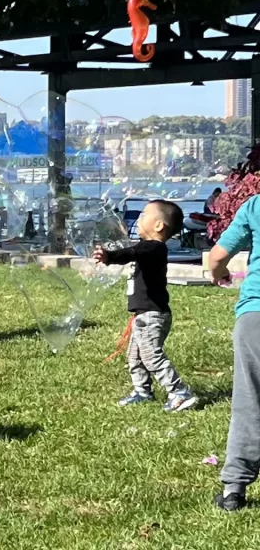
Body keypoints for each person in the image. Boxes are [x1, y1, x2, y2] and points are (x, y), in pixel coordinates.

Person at [94, 200, 198, 412]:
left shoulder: (154, 248)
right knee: (135, 356)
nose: (139, 219)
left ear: (159, 225)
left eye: (144, 215)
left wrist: (110, 257)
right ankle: (142, 391)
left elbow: (130, 253)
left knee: (151, 355)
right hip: (143, 315)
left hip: (152, 315)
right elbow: (133, 252)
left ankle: (179, 391)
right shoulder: (147, 249)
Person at [208, 195, 260, 511]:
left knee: (249, 401)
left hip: (256, 316)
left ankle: (234, 490)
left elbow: (217, 257)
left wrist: (218, 274)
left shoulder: (255, 206)